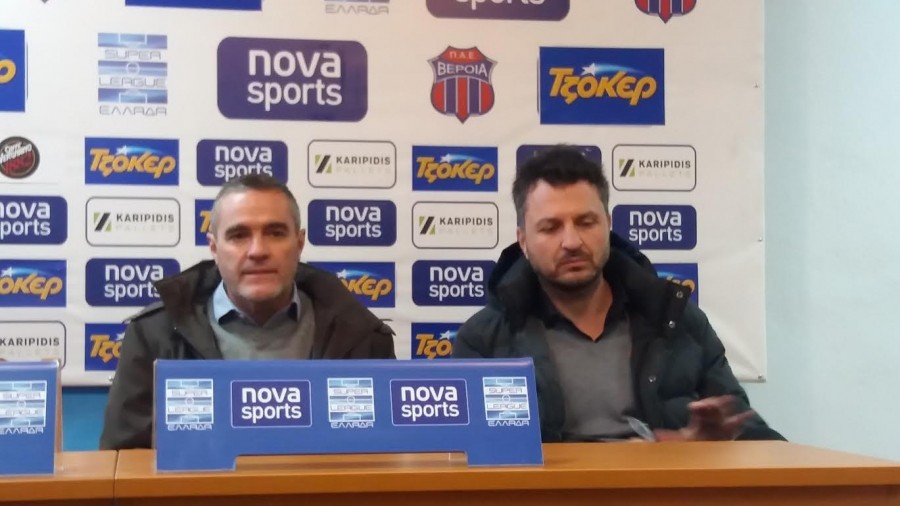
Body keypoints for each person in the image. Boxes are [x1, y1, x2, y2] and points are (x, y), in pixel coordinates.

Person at [453, 146, 783, 442]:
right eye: (550, 228)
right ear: (523, 241)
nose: (572, 242)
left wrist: (709, 446)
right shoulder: (485, 340)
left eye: (586, 223)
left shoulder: (675, 319)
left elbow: (749, 431)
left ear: (608, 225)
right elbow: (463, 454)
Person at [100, 174, 395, 450]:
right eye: (239, 235)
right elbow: (123, 461)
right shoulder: (154, 335)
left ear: (299, 243)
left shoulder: (361, 336)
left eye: (275, 233)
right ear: (214, 248)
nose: (257, 251)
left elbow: (386, 460)